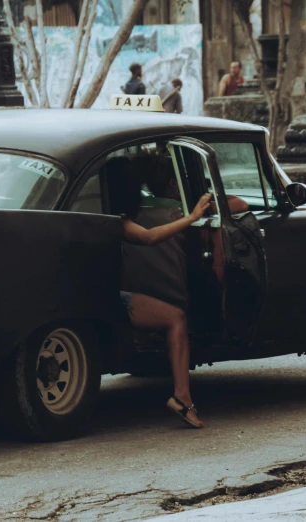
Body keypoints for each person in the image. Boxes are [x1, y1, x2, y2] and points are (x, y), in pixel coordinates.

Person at [106, 157, 211, 429]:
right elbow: (150, 237)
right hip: (114, 300)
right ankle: (183, 398)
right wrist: (192, 218)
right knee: (176, 318)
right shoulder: (118, 221)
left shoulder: (94, 213)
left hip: (103, 294)